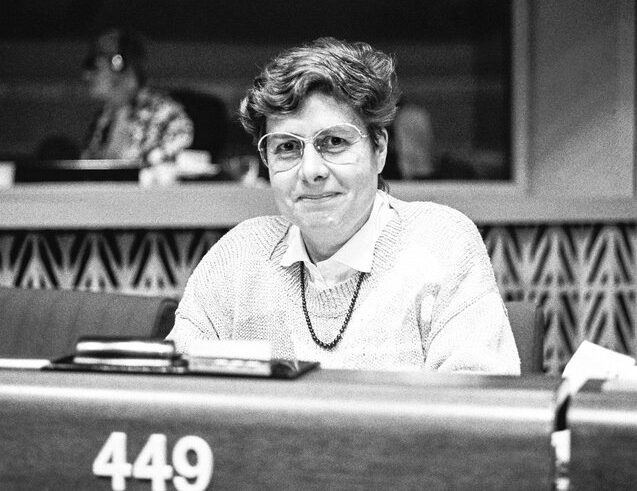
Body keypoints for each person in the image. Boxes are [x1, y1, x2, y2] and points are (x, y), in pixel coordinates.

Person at [166, 37, 519, 374]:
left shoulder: (443, 247)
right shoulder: (238, 258)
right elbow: (170, 400)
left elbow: (480, 415)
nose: (312, 171)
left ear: (379, 149)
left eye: (334, 142)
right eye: (287, 148)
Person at [79, 27, 194, 168]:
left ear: (118, 64)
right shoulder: (103, 120)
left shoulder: (166, 115)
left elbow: (161, 171)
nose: (87, 76)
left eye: (93, 66)